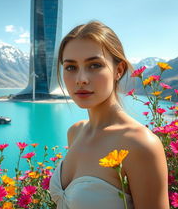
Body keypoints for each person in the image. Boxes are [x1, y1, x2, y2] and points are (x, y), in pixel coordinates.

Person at [49, 21, 169, 209]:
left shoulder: (140, 144)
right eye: (71, 67)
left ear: (118, 70)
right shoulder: (75, 132)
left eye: (95, 65)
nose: (81, 79)